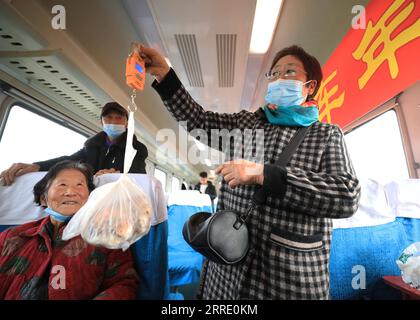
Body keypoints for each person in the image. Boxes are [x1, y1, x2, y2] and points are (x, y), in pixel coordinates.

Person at [139, 44, 361, 299]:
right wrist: (165, 76)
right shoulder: (247, 124)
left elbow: (347, 195)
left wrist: (263, 174)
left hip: (287, 275)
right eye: (274, 73)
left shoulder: (326, 134)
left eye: (289, 72)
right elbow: (199, 121)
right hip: (226, 268)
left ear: (309, 87)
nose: (279, 79)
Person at [0, 160, 139, 299]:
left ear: (90, 198)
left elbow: (124, 285)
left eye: (79, 185)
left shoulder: (107, 237)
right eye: (62, 185)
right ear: (43, 198)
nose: (71, 192)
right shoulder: (11, 237)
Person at [0, 102, 148, 186]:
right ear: (101, 122)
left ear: (127, 123)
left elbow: (138, 177)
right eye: (109, 118)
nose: (114, 122)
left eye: (119, 118)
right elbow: (68, 160)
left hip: (117, 198)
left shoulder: (137, 149)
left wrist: (116, 176)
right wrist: (37, 166)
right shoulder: (92, 146)